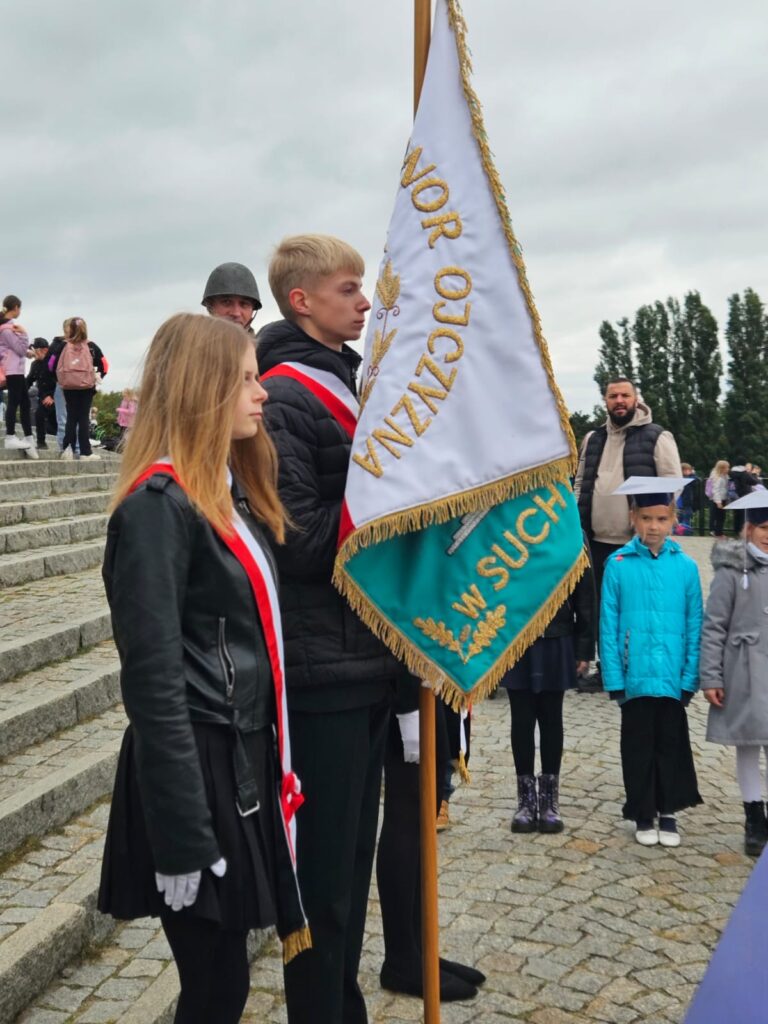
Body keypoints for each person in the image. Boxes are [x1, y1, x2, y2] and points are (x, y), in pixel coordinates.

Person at [98, 313, 309, 1024]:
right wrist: (183, 833)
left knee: (226, 982)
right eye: (246, 379)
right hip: (195, 767)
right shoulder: (157, 509)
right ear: (202, 389)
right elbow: (154, 683)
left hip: (238, 757)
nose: (262, 393)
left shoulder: (222, 494)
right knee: (214, 987)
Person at [257, 234, 400, 1024]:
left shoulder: (349, 382)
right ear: (302, 300)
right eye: (349, 288)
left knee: (351, 867)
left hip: (364, 659)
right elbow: (298, 540)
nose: (365, 301)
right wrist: (389, 502)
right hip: (322, 674)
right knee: (323, 885)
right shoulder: (285, 397)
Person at [600, 477, 703, 847]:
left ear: (673, 518)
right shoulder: (618, 565)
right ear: (633, 518)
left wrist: (690, 676)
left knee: (671, 744)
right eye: (646, 518)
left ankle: (668, 809)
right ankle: (643, 811)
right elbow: (608, 624)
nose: (654, 526)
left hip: (672, 675)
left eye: (661, 519)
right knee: (638, 746)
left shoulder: (686, 567)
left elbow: (695, 624)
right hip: (636, 676)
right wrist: (615, 677)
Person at [376, 684, 486, 1002]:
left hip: (429, 682)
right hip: (404, 685)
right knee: (408, 806)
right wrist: (406, 703)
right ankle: (401, 958)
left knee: (430, 793)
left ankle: (419, 948)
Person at [574, 378, 682, 690]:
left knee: (634, 608)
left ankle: (634, 667)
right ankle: (605, 668)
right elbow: (580, 481)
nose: (619, 400)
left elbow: (672, 484)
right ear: (605, 400)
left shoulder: (657, 436)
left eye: (625, 395)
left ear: (636, 399)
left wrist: (653, 525)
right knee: (599, 609)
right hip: (595, 540)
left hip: (634, 543)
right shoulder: (593, 438)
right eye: (613, 396)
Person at [500, 542, 595, 834]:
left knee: (552, 718)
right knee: (522, 718)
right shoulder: (507, 527)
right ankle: (526, 801)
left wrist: (583, 646)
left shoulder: (569, 530)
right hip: (516, 634)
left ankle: (549, 800)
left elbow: (585, 591)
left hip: (557, 634)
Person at [700, 492, 768, 856]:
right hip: (745, 671)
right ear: (749, 528)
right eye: (763, 527)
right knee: (748, 743)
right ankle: (754, 815)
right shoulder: (731, 571)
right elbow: (714, 626)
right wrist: (711, 676)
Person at [50, 317, 107, 461]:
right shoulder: (91, 346)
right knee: (83, 418)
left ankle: (67, 450)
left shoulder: (63, 345)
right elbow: (104, 365)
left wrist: (59, 379)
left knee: (71, 417)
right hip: (86, 386)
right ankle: (85, 452)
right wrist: (97, 377)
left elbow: (51, 364)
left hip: (68, 386)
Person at [0, 294, 36, 456]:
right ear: (15, 308)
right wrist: (25, 334)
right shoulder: (7, 329)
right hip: (12, 369)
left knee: (25, 402)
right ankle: (10, 436)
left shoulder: (7, 327)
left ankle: (28, 437)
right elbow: (19, 349)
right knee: (14, 402)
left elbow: (15, 349)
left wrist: (28, 352)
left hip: (16, 369)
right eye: (19, 308)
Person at [202, 262, 262, 333]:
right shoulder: (192, 339)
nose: (236, 313)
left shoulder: (264, 340)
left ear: (252, 310)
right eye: (226, 302)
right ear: (210, 307)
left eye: (244, 304)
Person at [26, 338, 58, 449]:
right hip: (43, 398)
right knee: (40, 414)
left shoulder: (53, 362)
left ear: (45, 350)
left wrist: (52, 396)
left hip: (55, 396)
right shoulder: (35, 364)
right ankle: (41, 442)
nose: (34, 354)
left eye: (36, 350)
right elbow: (29, 380)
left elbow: (60, 380)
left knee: (57, 422)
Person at [706, 460, 730, 538]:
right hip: (718, 499)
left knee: (721, 516)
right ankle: (718, 532)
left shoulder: (724, 476)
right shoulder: (718, 478)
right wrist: (718, 502)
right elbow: (716, 490)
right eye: (727, 467)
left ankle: (718, 532)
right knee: (719, 516)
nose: (728, 469)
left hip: (722, 498)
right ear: (722, 468)